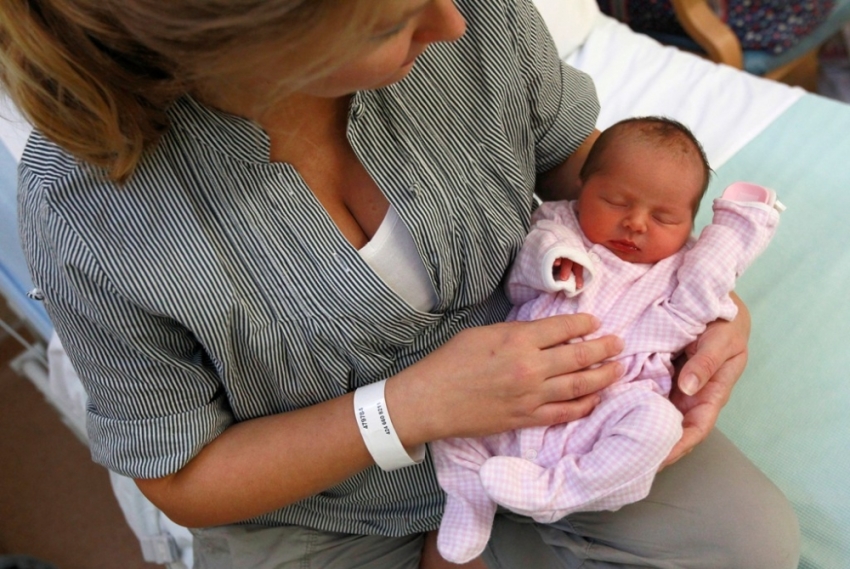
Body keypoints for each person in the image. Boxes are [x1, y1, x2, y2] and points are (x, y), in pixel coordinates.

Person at [0, 1, 799, 567]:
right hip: (323, 505)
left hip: (548, 414)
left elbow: (583, 164)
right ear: (244, 54)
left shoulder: (469, 14)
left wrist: (702, 292)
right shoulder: (89, 214)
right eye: (390, 21)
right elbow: (181, 475)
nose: (453, 22)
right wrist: (412, 408)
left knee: (746, 542)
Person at [431, 117, 783, 563]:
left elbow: (704, 290)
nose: (635, 223)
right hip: (515, 383)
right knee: (453, 425)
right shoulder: (561, 226)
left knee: (658, 424)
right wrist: (553, 264)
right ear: (582, 187)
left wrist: (737, 226)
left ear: (689, 225)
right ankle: (469, 499)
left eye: (664, 217)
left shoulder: (678, 269)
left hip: (609, 403)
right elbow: (522, 279)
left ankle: (561, 490)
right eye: (615, 201)